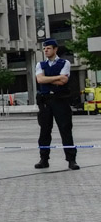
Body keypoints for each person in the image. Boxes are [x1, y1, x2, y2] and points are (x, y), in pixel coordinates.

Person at [34, 38, 78, 170]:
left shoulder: (65, 63)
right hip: (45, 101)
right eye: (44, 49)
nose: (46, 51)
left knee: (65, 129)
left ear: (55, 49)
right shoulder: (40, 64)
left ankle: (71, 160)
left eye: (48, 48)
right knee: (45, 130)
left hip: (60, 100)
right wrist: (56, 78)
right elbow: (40, 79)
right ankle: (44, 159)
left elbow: (63, 81)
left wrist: (47, 80)